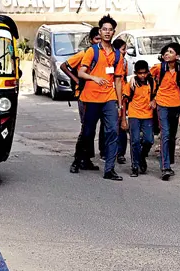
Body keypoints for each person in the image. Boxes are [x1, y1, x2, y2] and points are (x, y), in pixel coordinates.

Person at [68, 15, 125, 180]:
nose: (107, 32)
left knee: (113, 131)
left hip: (109, 98)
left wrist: (120, 104)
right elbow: (81, 72)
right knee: (87, 133)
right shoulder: (92, 51)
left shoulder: (117, 55)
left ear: (114, 32)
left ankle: (109, 170)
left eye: (110, 30)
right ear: (100, 31)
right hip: (91, 98)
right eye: (104, 29)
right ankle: (77, 160)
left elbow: (118, 80)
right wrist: (94, 78)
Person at [61, 26, 103, 171]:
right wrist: (77, 80)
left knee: (91, 130)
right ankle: (77, 160)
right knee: (86, 129)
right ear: (92, 40)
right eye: (97, 38)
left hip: (99, 97)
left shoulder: (104, 54)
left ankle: (86, 159)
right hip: (84, 96)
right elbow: (64, 66)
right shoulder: (84, 54)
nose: (100, 41)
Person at [149, 42, 180, 181]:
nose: (166, 54)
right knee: (164, 134)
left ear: (177, 56)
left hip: (175, 105)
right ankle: (165, 167)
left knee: (171, 135)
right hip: (162, 104)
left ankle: (168, 162)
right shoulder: (159, 68)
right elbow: (145, 77)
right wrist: (152, 97)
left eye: (170, 52)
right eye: (165, 52)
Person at [122, 60, 155, 177]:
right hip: (134, 114)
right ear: (136, 73)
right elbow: (124, 101)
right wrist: (123, 118)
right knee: (135, 140)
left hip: (147, 115)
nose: (142, 75)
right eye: (140, 73)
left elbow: (155, 95)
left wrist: (153, 101)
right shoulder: (131, 84)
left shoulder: (151, 82)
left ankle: (141, 156)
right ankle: (135, 165)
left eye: (144, 73)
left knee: (149, 140)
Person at [112, 37, 129, 167]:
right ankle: (109, 152)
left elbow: (123, 80)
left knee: (123, 125)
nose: (125, 52)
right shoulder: (112, 60)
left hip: (122, 95)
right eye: (123, 49)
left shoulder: (125, 62)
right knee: (112, 126)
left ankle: (121, 153)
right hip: (111, 96)